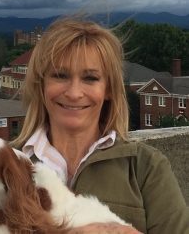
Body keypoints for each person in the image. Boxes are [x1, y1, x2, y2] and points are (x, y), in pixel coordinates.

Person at [11, 16, 189, 234]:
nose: (74, 93)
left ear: (109, 90)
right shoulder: (5, 163)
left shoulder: (145, 167)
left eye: (90, 78)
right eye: (60, 75)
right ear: (41, 85)